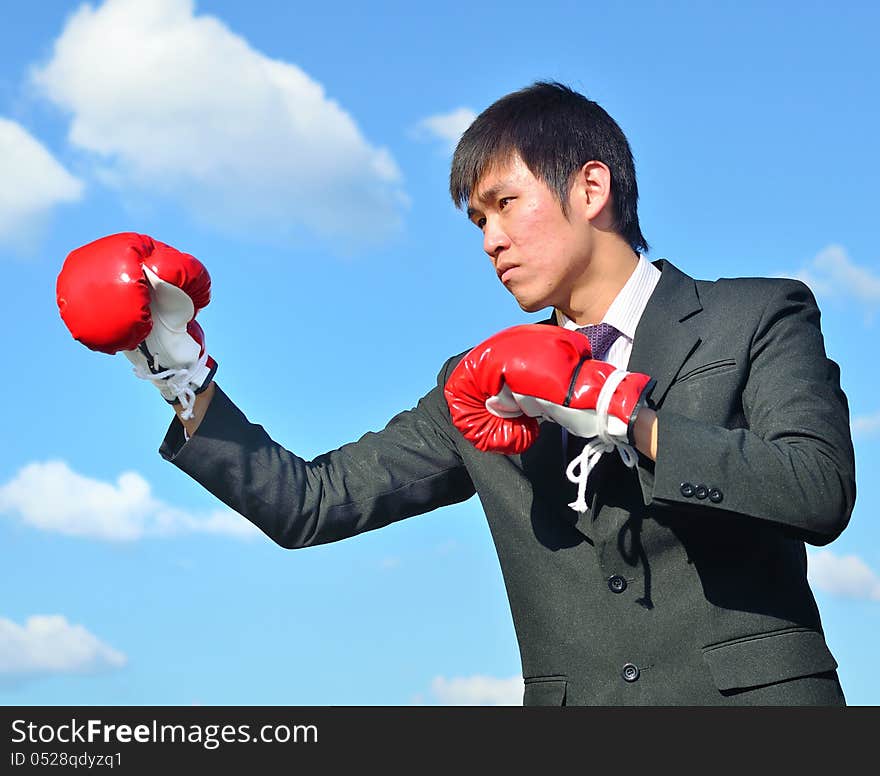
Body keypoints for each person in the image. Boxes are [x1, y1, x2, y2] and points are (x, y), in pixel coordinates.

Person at [56, 81, 856, 705]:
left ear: (590, 187)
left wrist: (624, 412)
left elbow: (817, 491)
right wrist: (177, 371)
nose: (490, 240)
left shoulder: (755, 313)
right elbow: (311, 501)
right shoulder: (477, 385)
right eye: (476, 220)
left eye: (505, 203)